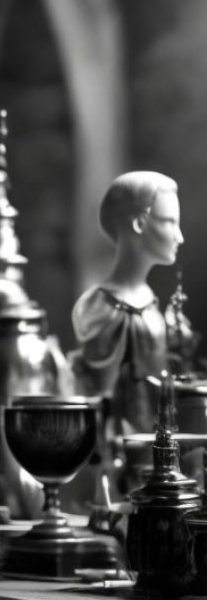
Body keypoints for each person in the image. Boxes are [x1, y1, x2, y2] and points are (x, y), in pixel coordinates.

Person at [72, 171, 182, 435]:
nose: (180, 237)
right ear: (140, 224)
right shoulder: (102, 309)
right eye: (169, 222)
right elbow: (97, 399)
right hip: (123, 458)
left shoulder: (151, 305)